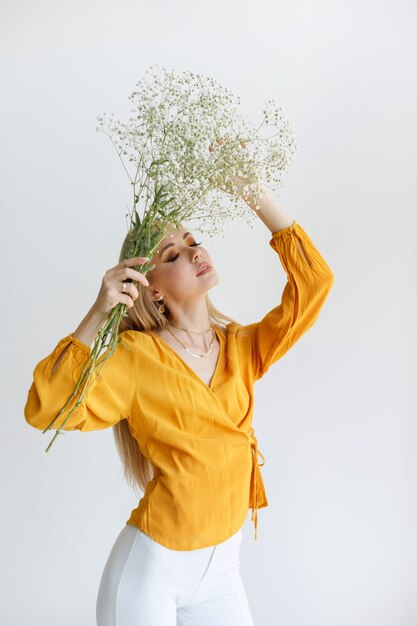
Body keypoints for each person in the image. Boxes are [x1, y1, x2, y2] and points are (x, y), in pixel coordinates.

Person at [24, 181, 334, 625]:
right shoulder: (135, 358)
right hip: (150, 573)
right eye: (172, 255)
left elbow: (314, 283)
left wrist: (253, 192)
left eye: (193, 243)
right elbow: (47, 408)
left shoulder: (242, 348)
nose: (192, 253)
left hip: (223, 571)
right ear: (151, 290)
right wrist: (98, 311)